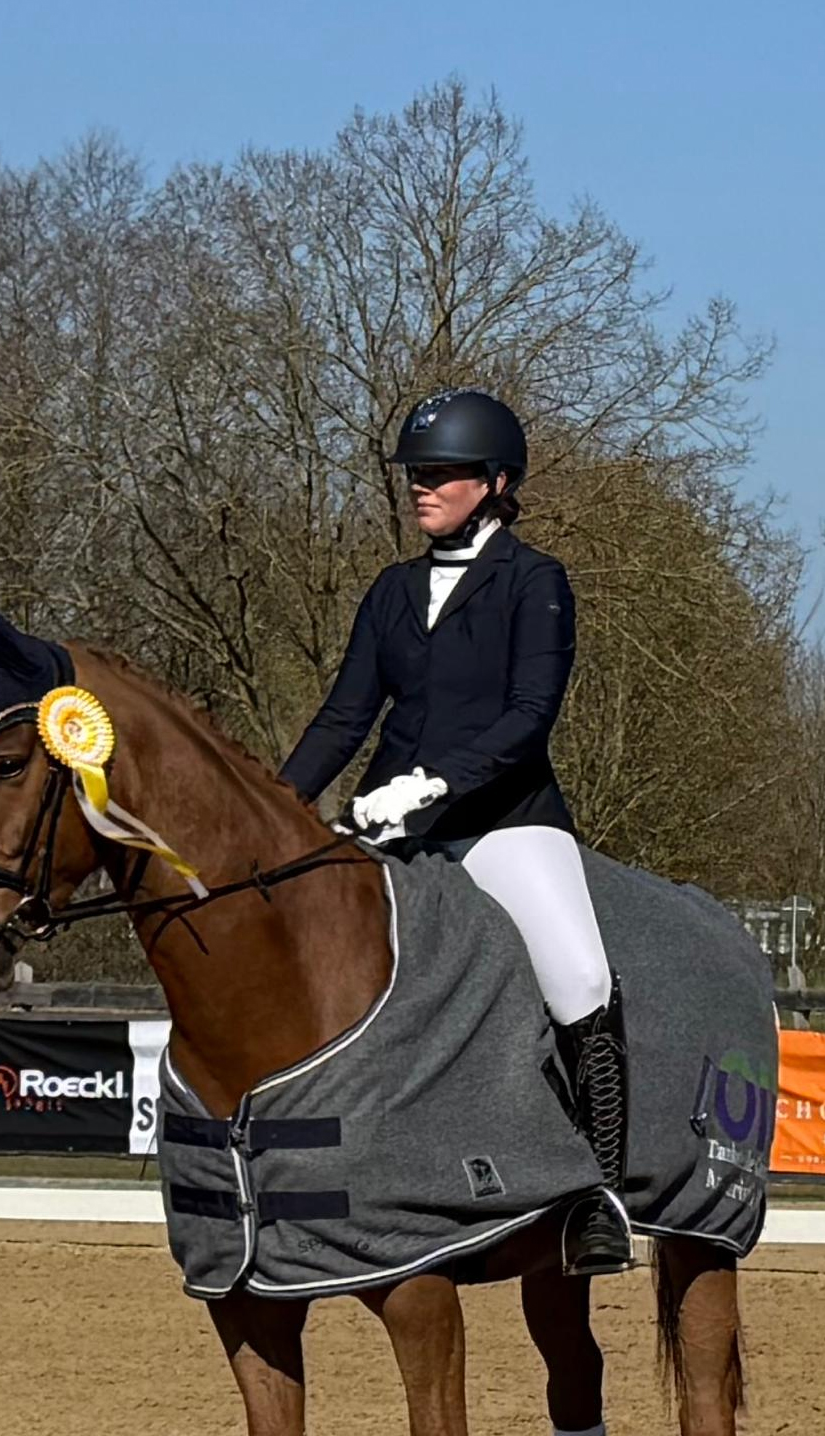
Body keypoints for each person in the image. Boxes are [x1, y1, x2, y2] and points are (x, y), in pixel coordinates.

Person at [282, 387, 628, 1273]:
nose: (420, 489)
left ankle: (599, 1193)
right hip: (391, 823)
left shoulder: (535, 581)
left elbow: (528, 718)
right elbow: (341, 718)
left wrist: (429, 786)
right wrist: (275, 811)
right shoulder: (393, 591)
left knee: (580, 976)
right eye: (415, 475)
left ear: (496, 481)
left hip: (502, 819)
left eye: (439, 474)